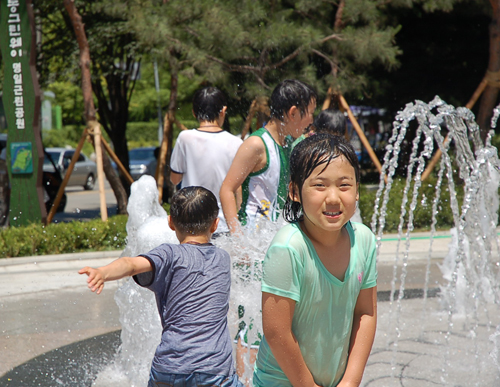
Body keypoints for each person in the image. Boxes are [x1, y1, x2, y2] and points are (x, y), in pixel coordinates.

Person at [79, 186, 244, 387]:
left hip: (169, 369)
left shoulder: (169, 255)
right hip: (214, 369)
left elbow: (131, 264)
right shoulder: (222, 258)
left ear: (171, 223)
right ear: (216, 225)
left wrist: (103, 272)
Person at [253, 133, 378, 387]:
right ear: (294, 191)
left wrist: (351, 380)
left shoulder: (363, 241)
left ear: (356, 190)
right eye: (319, 186)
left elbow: (366, 313)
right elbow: (277, 332)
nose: (333, 198)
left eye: (344, 185)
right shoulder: (288, 248)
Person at [220, 79, 317, 234]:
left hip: (273, 234)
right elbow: (226, 189)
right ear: (293, 113)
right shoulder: (257, 144)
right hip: (252, 235)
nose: (312, 120)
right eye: (310, 113)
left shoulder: (289, 144)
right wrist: (238, 239)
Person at [170, 87, 243, 234]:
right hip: (222, 223)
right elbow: (238, 189)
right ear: (223, 111)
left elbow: (175, 179)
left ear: (194, 112)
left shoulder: (185, 138)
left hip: (189, 221)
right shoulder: (236, 143)